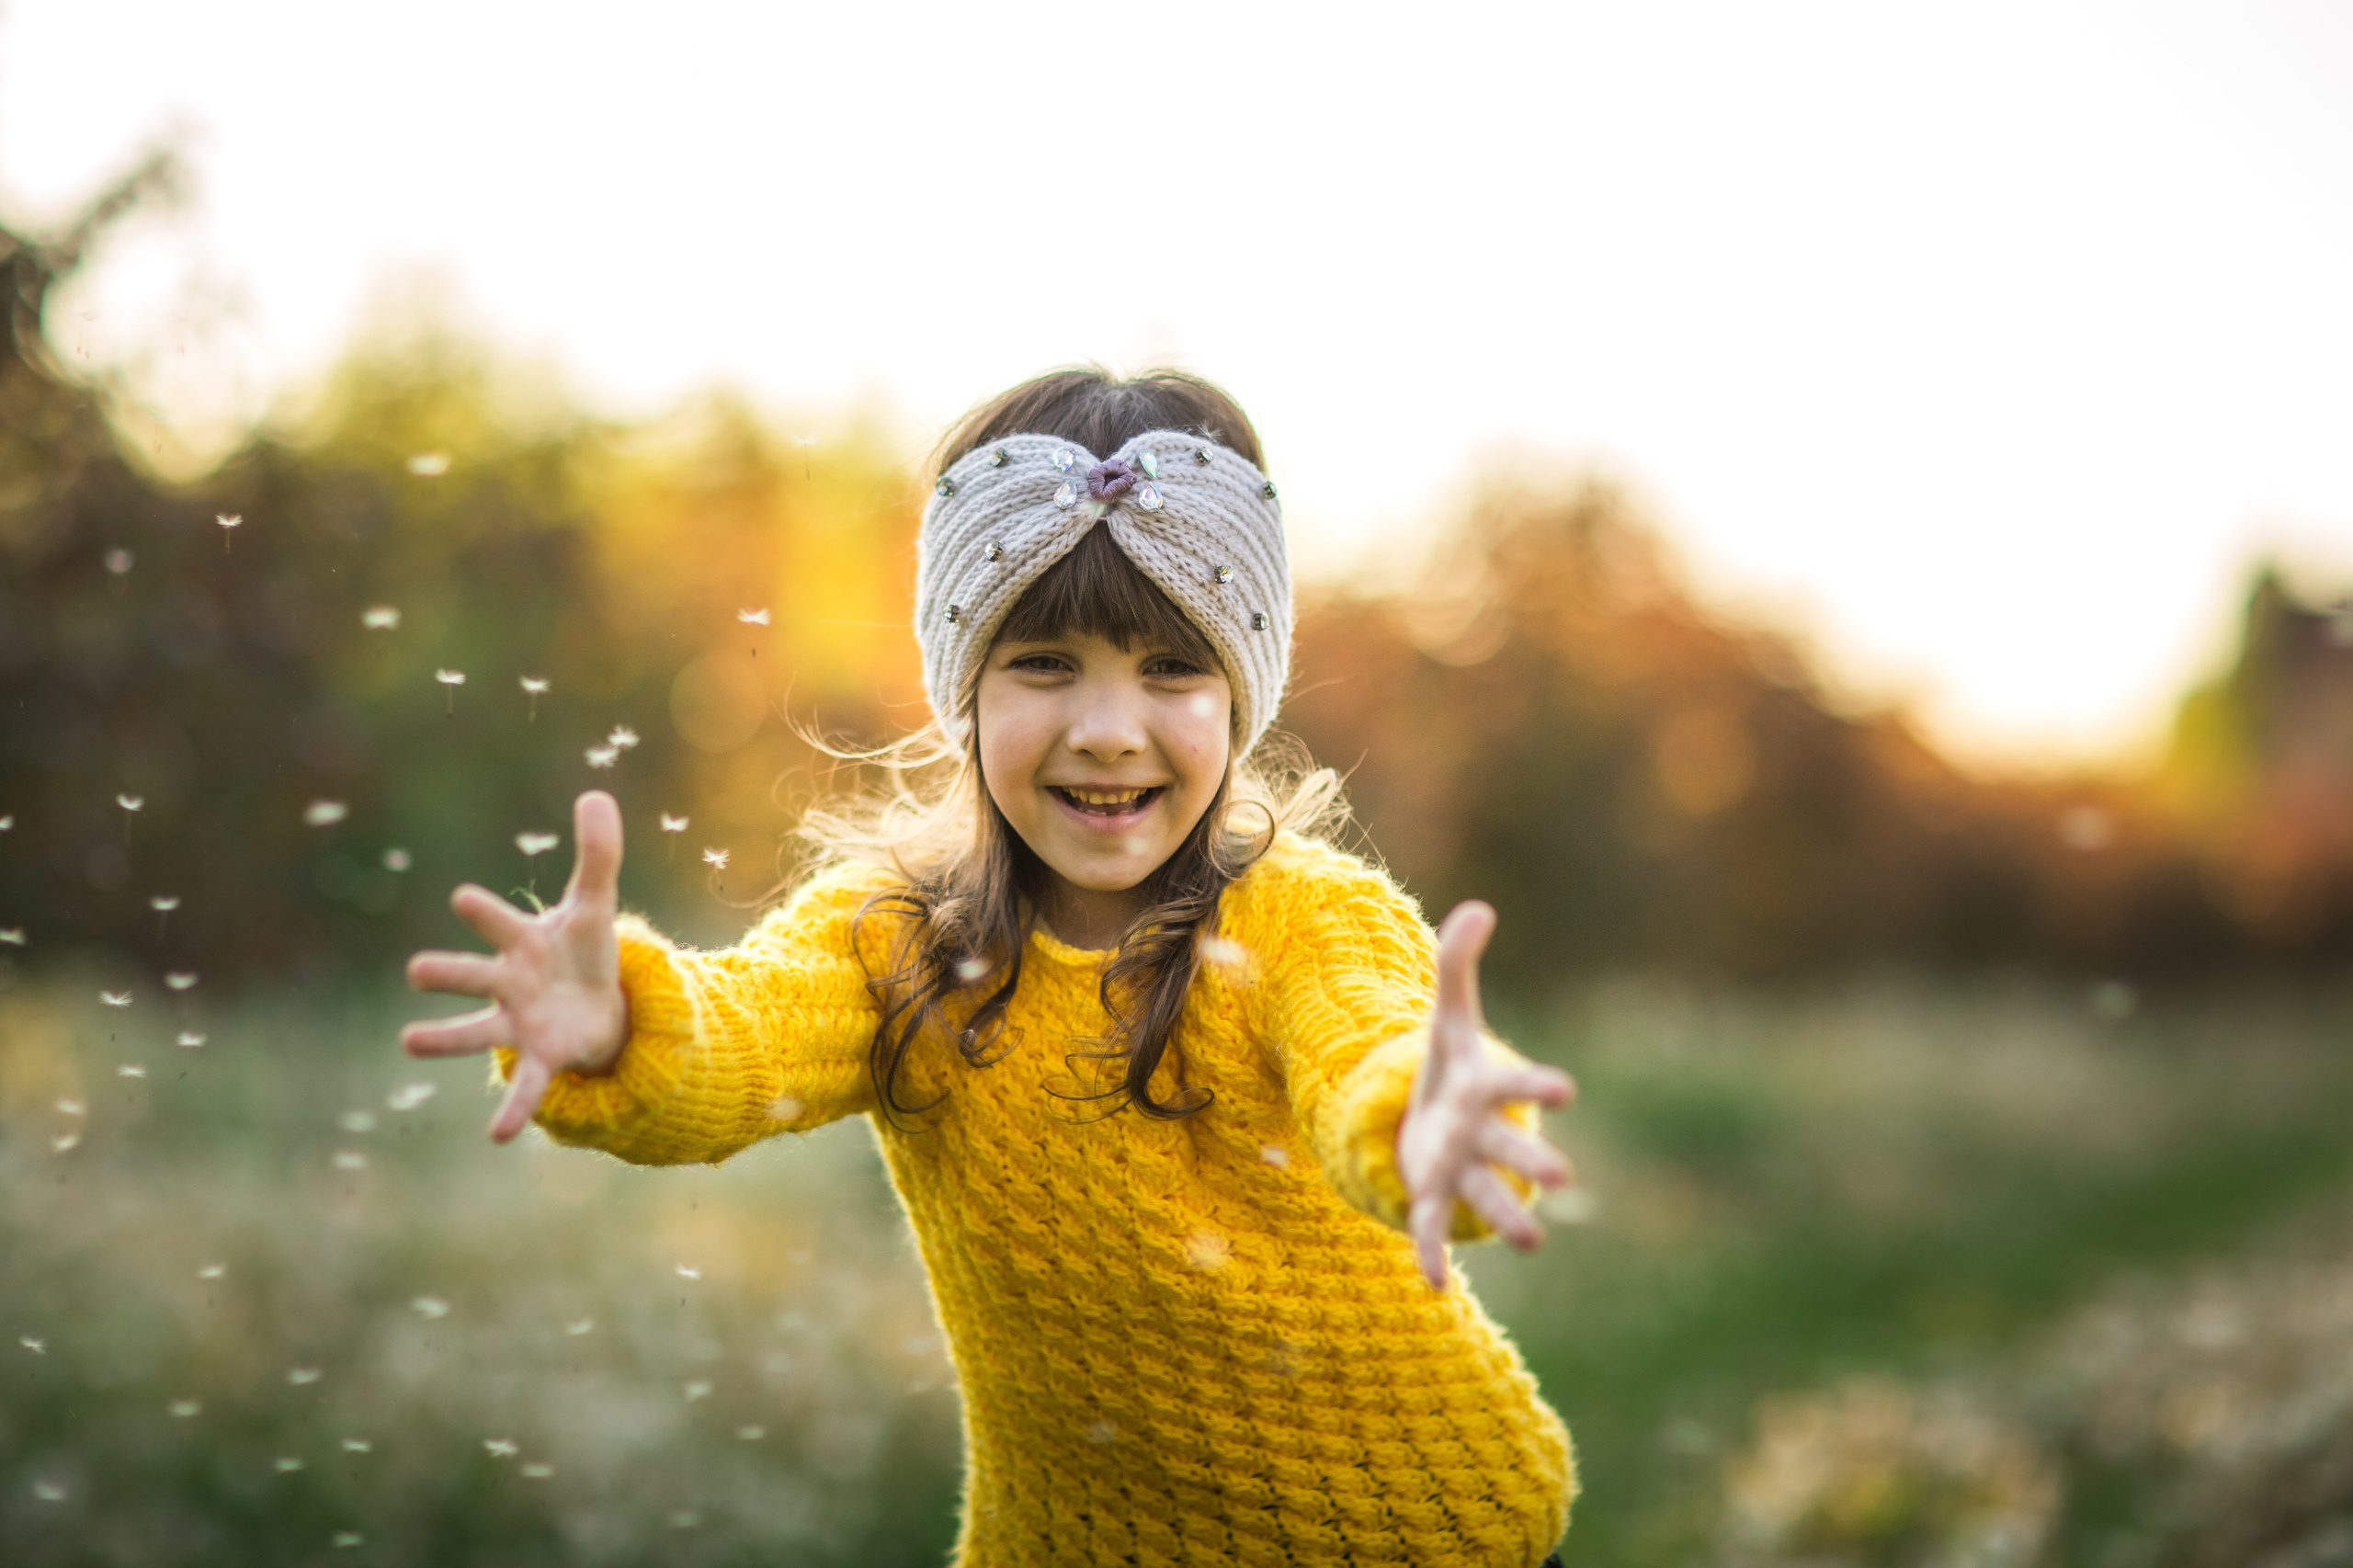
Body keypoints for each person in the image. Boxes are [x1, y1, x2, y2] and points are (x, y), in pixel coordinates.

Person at [401, 368, 1581, 1567]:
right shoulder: (900, 937)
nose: (1109, 725)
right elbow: (744, 1031)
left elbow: (1367, 1042)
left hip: (1423, 1535)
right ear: (963, 686)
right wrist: (619, 1027)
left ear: (1242, 695)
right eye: (1045, 662)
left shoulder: (1311, 917)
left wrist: (1419, 1117)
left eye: (1172, 666)